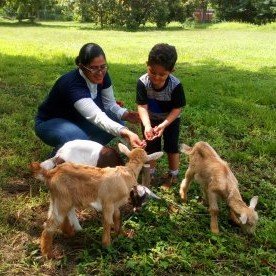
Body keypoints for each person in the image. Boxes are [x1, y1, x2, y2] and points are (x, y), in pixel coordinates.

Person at [35, 42, 145, 153]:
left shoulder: (103, 74)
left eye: (103, 66)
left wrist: (127, 115)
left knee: (118, 121)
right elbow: (97, 116)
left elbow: (110, 105)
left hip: (78, 120)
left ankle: (82, 153)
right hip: (50, 123)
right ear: (82, 66)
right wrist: (127, 132)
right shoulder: (72, 84)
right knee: (78, 138)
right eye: (94, 68)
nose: (100, 72)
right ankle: (56, 161)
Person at [136, 43, 186, 188]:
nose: (156, 78)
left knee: (171, 146)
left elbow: (177, 109)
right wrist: (147, 125)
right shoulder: (142, 82)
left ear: (171, 71)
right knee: (151, 146)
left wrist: (164, 125)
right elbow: (142, 106)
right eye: (152, 72)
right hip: (149, 119)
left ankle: (173, 174)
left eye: (162, 74)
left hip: (170, 121)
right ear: (147, 65)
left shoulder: (175, 86)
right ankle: (150, 172)